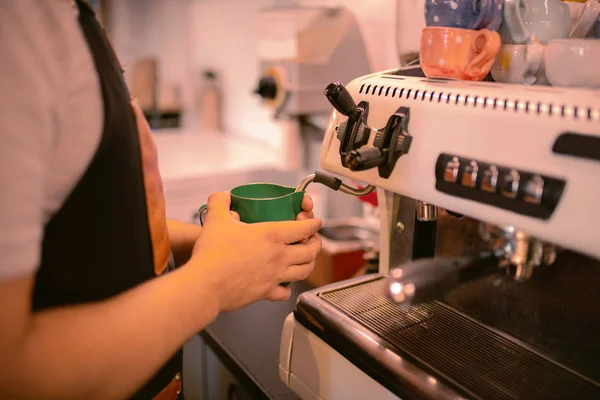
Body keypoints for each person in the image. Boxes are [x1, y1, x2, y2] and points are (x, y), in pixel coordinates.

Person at [0, 1, 322, 399]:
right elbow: (11, 374)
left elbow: (90, 226)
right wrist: (212, 282)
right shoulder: (17, 27)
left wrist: (218, 249)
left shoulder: (70, 19)